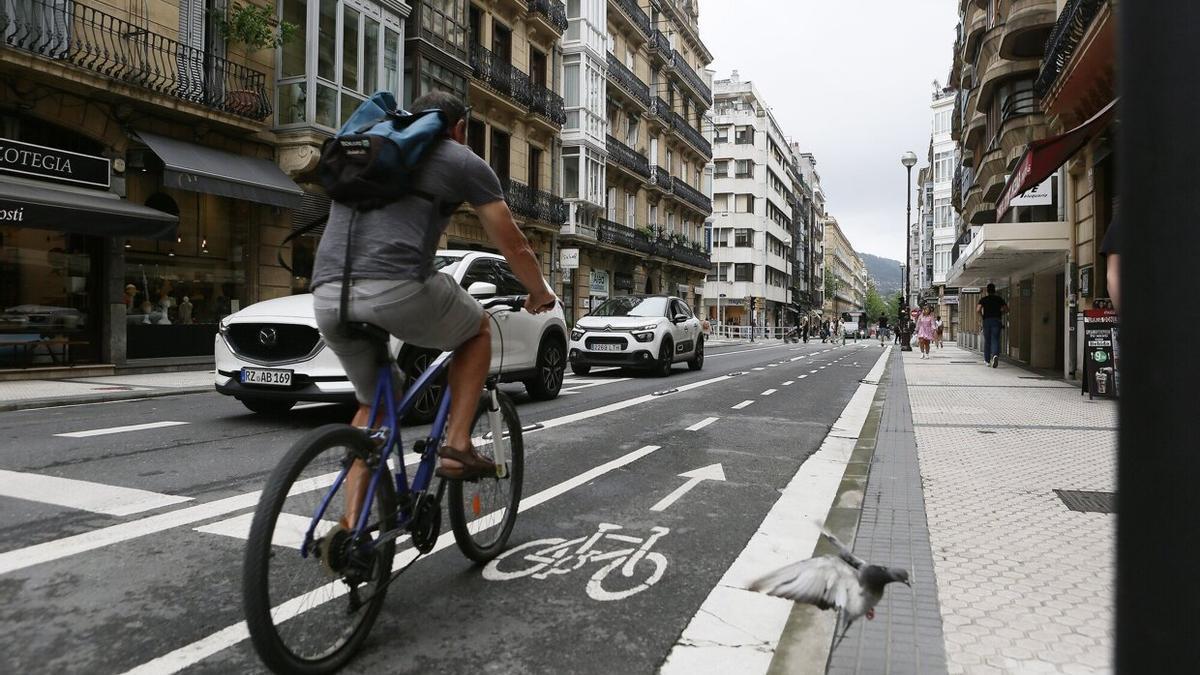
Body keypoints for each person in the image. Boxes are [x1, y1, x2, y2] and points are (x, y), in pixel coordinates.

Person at [311, 91, 557, 526]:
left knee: (375, 408)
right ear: (459, 127)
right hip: (396, 286)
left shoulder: (368, 150)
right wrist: (538, 292)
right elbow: (514, 244)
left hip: (328, 293)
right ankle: (458, 444)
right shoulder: (460, 160)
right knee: (478, 329)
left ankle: (351, 529)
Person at [977, 282, 1009, 367]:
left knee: (987, 341)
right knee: (995, 339)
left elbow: (978, 309)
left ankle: (987, 361)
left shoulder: (984, 299)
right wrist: (1000, 313)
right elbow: (1006, 309)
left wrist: (982, 316)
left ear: (987, 290)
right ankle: (995, 355)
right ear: (994, 290)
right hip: (996, 321)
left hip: (987, 321)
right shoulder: (999, 299)